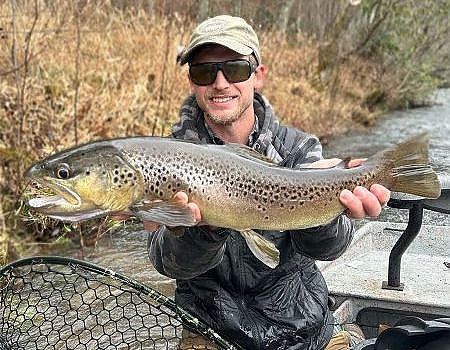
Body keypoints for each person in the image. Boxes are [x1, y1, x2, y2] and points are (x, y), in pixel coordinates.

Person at [144, 15, 390, 350]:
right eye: (204, 71)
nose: (220, 82)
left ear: (258, 76)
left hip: (304, 331)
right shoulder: (162, 161)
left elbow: (331, 247)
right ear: (192, 81)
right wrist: (209, 227)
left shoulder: (299, 150)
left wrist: (328, 207)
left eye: (235, 69)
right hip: (211, 336)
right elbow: (168, 264)